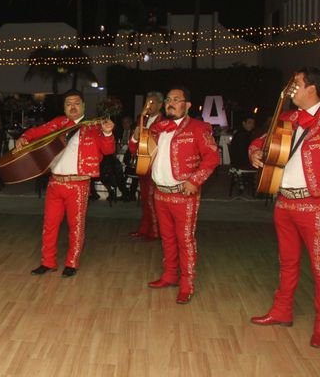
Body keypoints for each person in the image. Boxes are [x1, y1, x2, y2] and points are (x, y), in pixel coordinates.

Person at [248, 67, 320, 348]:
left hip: (314, 206)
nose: (292, 90)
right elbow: (259, 141)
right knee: (287, 262)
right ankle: (282, 311)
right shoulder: (287, 117)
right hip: (284, 201)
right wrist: (255, 152)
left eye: (297, 85)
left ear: (312, 88)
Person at [129, 87, 219, 303]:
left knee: (185, 240)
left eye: (176, 100)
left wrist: (194, 180)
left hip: (183, 194)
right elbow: (137, 152)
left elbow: (212, 158)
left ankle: (187, 284)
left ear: (187, 105)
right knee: (167, 238)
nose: (170, 103)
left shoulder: (198, 128)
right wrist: (134, 138)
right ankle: (169, 275)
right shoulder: (158, 128)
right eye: (168, 99)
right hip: (160, 194)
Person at [14, 89, 116, 278]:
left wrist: (108, 133)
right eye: (69, 103)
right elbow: (37, 131)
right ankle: (48, 262)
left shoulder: (94, 127)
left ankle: (72, 263)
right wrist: (24, 137)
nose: (73, 107)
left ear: (84, 105)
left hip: (78, 184)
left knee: (76, 225)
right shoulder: (58, 123)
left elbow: (108, 150)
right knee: (49, 225)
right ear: (64, 107)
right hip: (55, 182)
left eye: (76, 103)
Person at [129, 91, 164, 240]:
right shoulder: (143, 119)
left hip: (155, 165)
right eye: (147, 103)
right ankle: (145, 228)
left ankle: (155, 231)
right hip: (143, 164)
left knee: (151, 200)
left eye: (152, 102)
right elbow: (135, 143)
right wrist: (135, 135)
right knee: (144, 199)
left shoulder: (164, 122)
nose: (149, 106)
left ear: (161, 105)